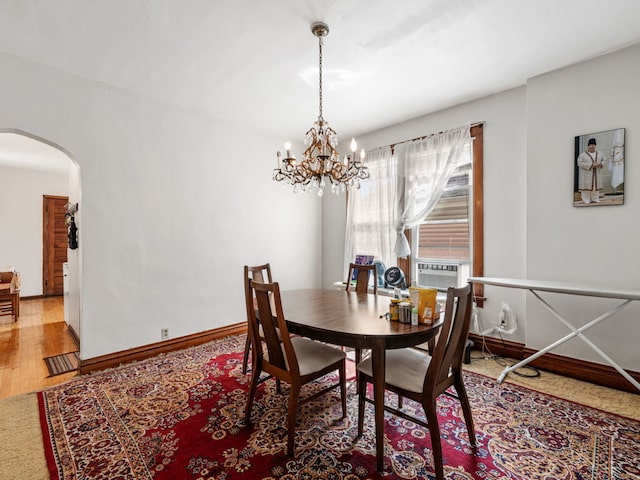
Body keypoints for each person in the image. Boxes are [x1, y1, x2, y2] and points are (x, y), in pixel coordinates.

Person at [576, 138, 605, 203]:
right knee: (586, 187)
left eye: (593, 145)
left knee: (595, 187)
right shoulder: (582, 155)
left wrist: (600, 164)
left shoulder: (600, 154)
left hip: (596, 173)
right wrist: (591, 165)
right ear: (588, 146)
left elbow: (604, 160)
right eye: (591, 145)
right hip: (586, 174)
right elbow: (579, 163)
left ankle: (595, 199)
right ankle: (586, 200)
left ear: (595, 146)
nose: (592, 146)